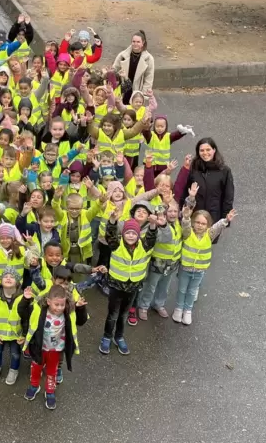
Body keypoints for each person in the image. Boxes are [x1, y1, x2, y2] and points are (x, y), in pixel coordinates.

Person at [173, 184, 237, 325]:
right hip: (185, 268)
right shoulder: (188, 232)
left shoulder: (210, 234)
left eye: (203, 223)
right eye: (197, 222)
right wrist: (187, 213)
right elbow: (185, 223)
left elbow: (218, 227)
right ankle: (178, 308)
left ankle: (188, 311)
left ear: (207, 225)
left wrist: (226, 220)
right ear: (193, 223)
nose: (200, 225)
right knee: (182, 290)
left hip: (199, 270)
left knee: (192, 292)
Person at [20, 283, 87, 410]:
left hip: (56, 350)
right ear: (48, 301)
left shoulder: (68, 312)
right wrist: (25, 299)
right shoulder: (38, 310)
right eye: (56, 304)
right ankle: (34, 386)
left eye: (62, 304)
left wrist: (80, 309)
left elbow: (81, 321)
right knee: (36, 368)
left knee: (52, 371)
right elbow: (22, 313)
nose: (59, 308)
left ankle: (50, 391)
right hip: (40, 348)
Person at [99, 214, 158, 356]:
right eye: (127, 233)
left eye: (133, 233)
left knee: (124, 315)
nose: (130, 236)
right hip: (116, 286)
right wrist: (112, 221)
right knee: (113, 314)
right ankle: (107, 336)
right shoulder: (116, 245)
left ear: (138, 235)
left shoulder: (144, 246)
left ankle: (119, 337)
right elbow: (110, 235)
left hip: (132, 288)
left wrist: (153, 225)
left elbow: (151, 238)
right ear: (123, 234)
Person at [0, 267, 25, 386]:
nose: (8, 278)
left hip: (16, 335)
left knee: (15, 354)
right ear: (1, 281)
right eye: (5, 276)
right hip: (0, 334)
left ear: (17, 282)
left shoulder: (23, 298)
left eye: (12, 277)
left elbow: (27, 318)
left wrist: (24, 335)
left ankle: (14, 370)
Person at [181, 138, 235, 227]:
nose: (205, 153)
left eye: (208, 150)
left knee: (209, 240)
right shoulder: (194, 169)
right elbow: (185, 192)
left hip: (214, 216)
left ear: (214, 150)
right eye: (202, 150)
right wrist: (182, 212)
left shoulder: (224, 171)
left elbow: (228, 197)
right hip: (195, 216)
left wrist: (226, 219)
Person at [112, 30, 154, 104]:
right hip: (123, 90)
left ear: (143, 43)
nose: (135, 44)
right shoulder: (122, 55)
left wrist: (143, 95)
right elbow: (114, 70)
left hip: (137, 92)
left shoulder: (149, 59)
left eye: (138, 42)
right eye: (133, 41)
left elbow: (149, 78)